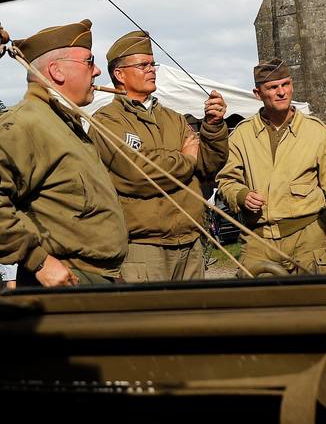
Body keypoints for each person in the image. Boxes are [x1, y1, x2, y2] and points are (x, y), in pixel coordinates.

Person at [0, 19, 127, 287]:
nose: (98, 71)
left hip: (94, 278)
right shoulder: (22, 123)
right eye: (89, 61)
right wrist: (38, 260)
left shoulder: (62, 123)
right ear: (56, 71)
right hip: (64, 280)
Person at [90, 30, 228, 282]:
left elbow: (208, 168)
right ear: (119, 74)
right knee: (150, 320)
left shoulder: (173, 117)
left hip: (190, 241)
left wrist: (213, 126)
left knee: (193, 319)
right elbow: (139, 172)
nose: (152, 69)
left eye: (153, 64)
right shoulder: (106, 120)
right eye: (143, 65)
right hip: (143, 247)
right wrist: (185, 158)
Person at [216, 59, 326, 275]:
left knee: (314, 305)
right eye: (272, 87)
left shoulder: (317, 132)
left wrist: (324, 224)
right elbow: (226, 179)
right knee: (258, 306)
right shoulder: (242, 134)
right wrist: (241, 195)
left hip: (308, 238)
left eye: (285, 84)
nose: (281, 92)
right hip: (258, 239)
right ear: (257, 94)